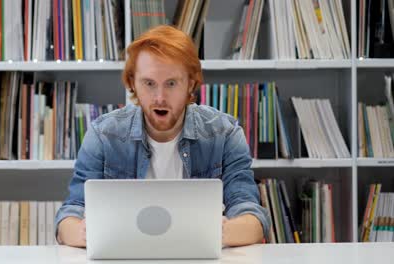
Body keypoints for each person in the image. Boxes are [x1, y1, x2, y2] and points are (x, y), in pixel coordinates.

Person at [55, 25, 270, 248]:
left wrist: (221, 232)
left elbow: (252, 216)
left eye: (171, 83)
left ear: (191, 84)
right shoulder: (103, 135)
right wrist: (82, 232)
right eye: (149, 83)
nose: (159, 97)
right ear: (133, 84)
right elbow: (70, 213)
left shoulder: (225, 134)